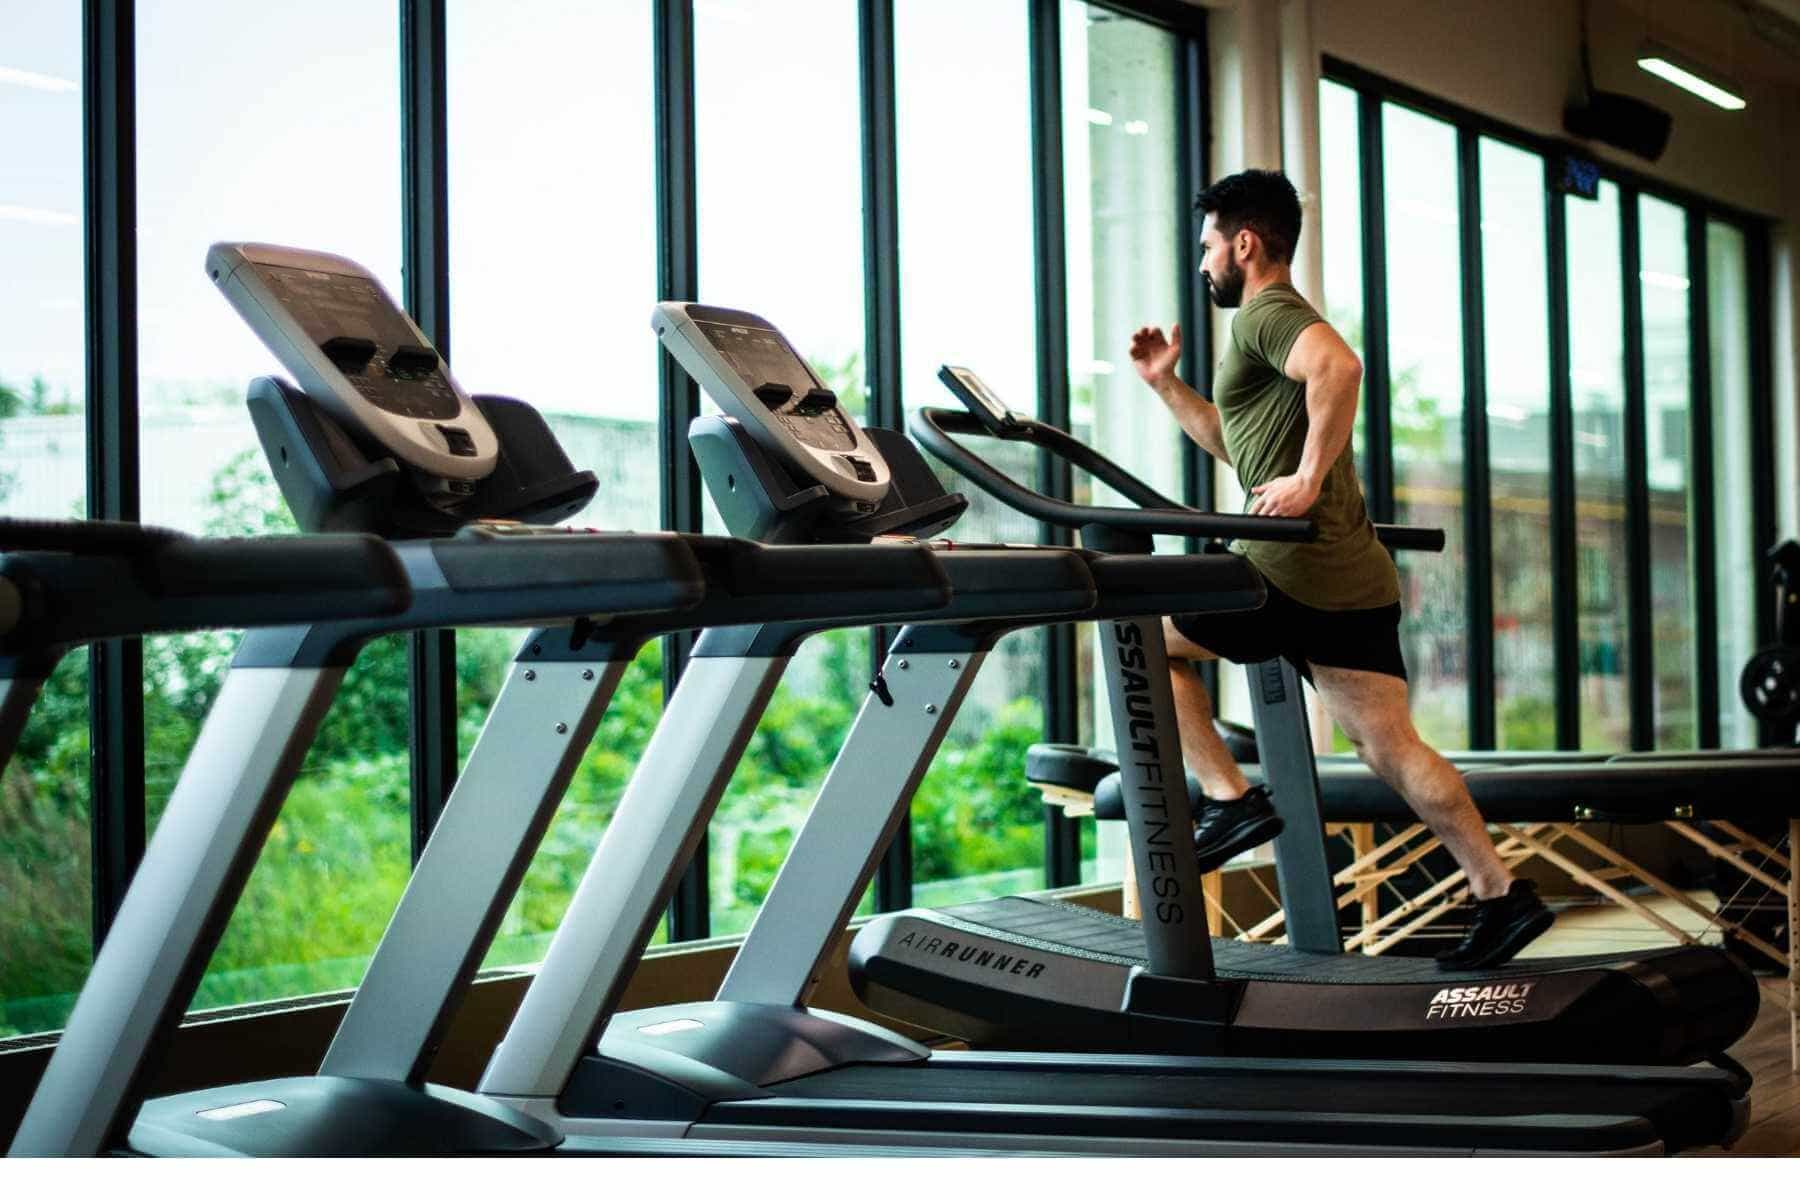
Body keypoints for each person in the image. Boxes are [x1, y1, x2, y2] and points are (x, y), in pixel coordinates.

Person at [1127, 168, 1552, 970]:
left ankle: (1229, 800)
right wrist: (1166, 385)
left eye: (1209, 246)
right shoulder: (1268, 328)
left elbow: (1342, 370)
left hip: (1285, 570)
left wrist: (1309, 480)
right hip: (1351, 577)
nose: (1204, 262)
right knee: (1392, 749)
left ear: (1243, 244)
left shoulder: (1269, 314)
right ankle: (1500, 893)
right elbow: (1238, 444)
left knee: (1139, 635)